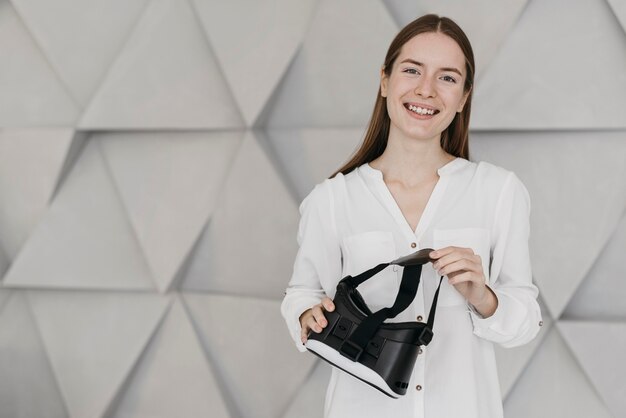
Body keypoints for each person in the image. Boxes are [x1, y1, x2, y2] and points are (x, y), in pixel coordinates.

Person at [280, 14, 542, 418]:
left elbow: (524, 320)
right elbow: (302, 293)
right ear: (385, 81)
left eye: (447, 78)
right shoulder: (332, 199)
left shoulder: (498, 191)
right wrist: (306, 313)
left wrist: (483, 297)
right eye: (412, 70)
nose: (426, 89)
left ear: (464, 97)